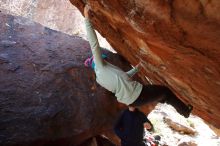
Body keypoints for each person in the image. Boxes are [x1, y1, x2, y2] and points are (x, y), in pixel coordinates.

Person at [83, 5, 193, 118]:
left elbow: (124, 78)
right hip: (138, 94)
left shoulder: (101, 78)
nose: (105, 60)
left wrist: (137, 68)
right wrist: (87, 18)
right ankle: (185, 111)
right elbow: (94, 44)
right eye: (102, 58)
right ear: (95, 62)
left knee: (162, 95)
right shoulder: (100, 67)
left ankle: (166, 101)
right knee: (165, 91)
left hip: (134, 100)